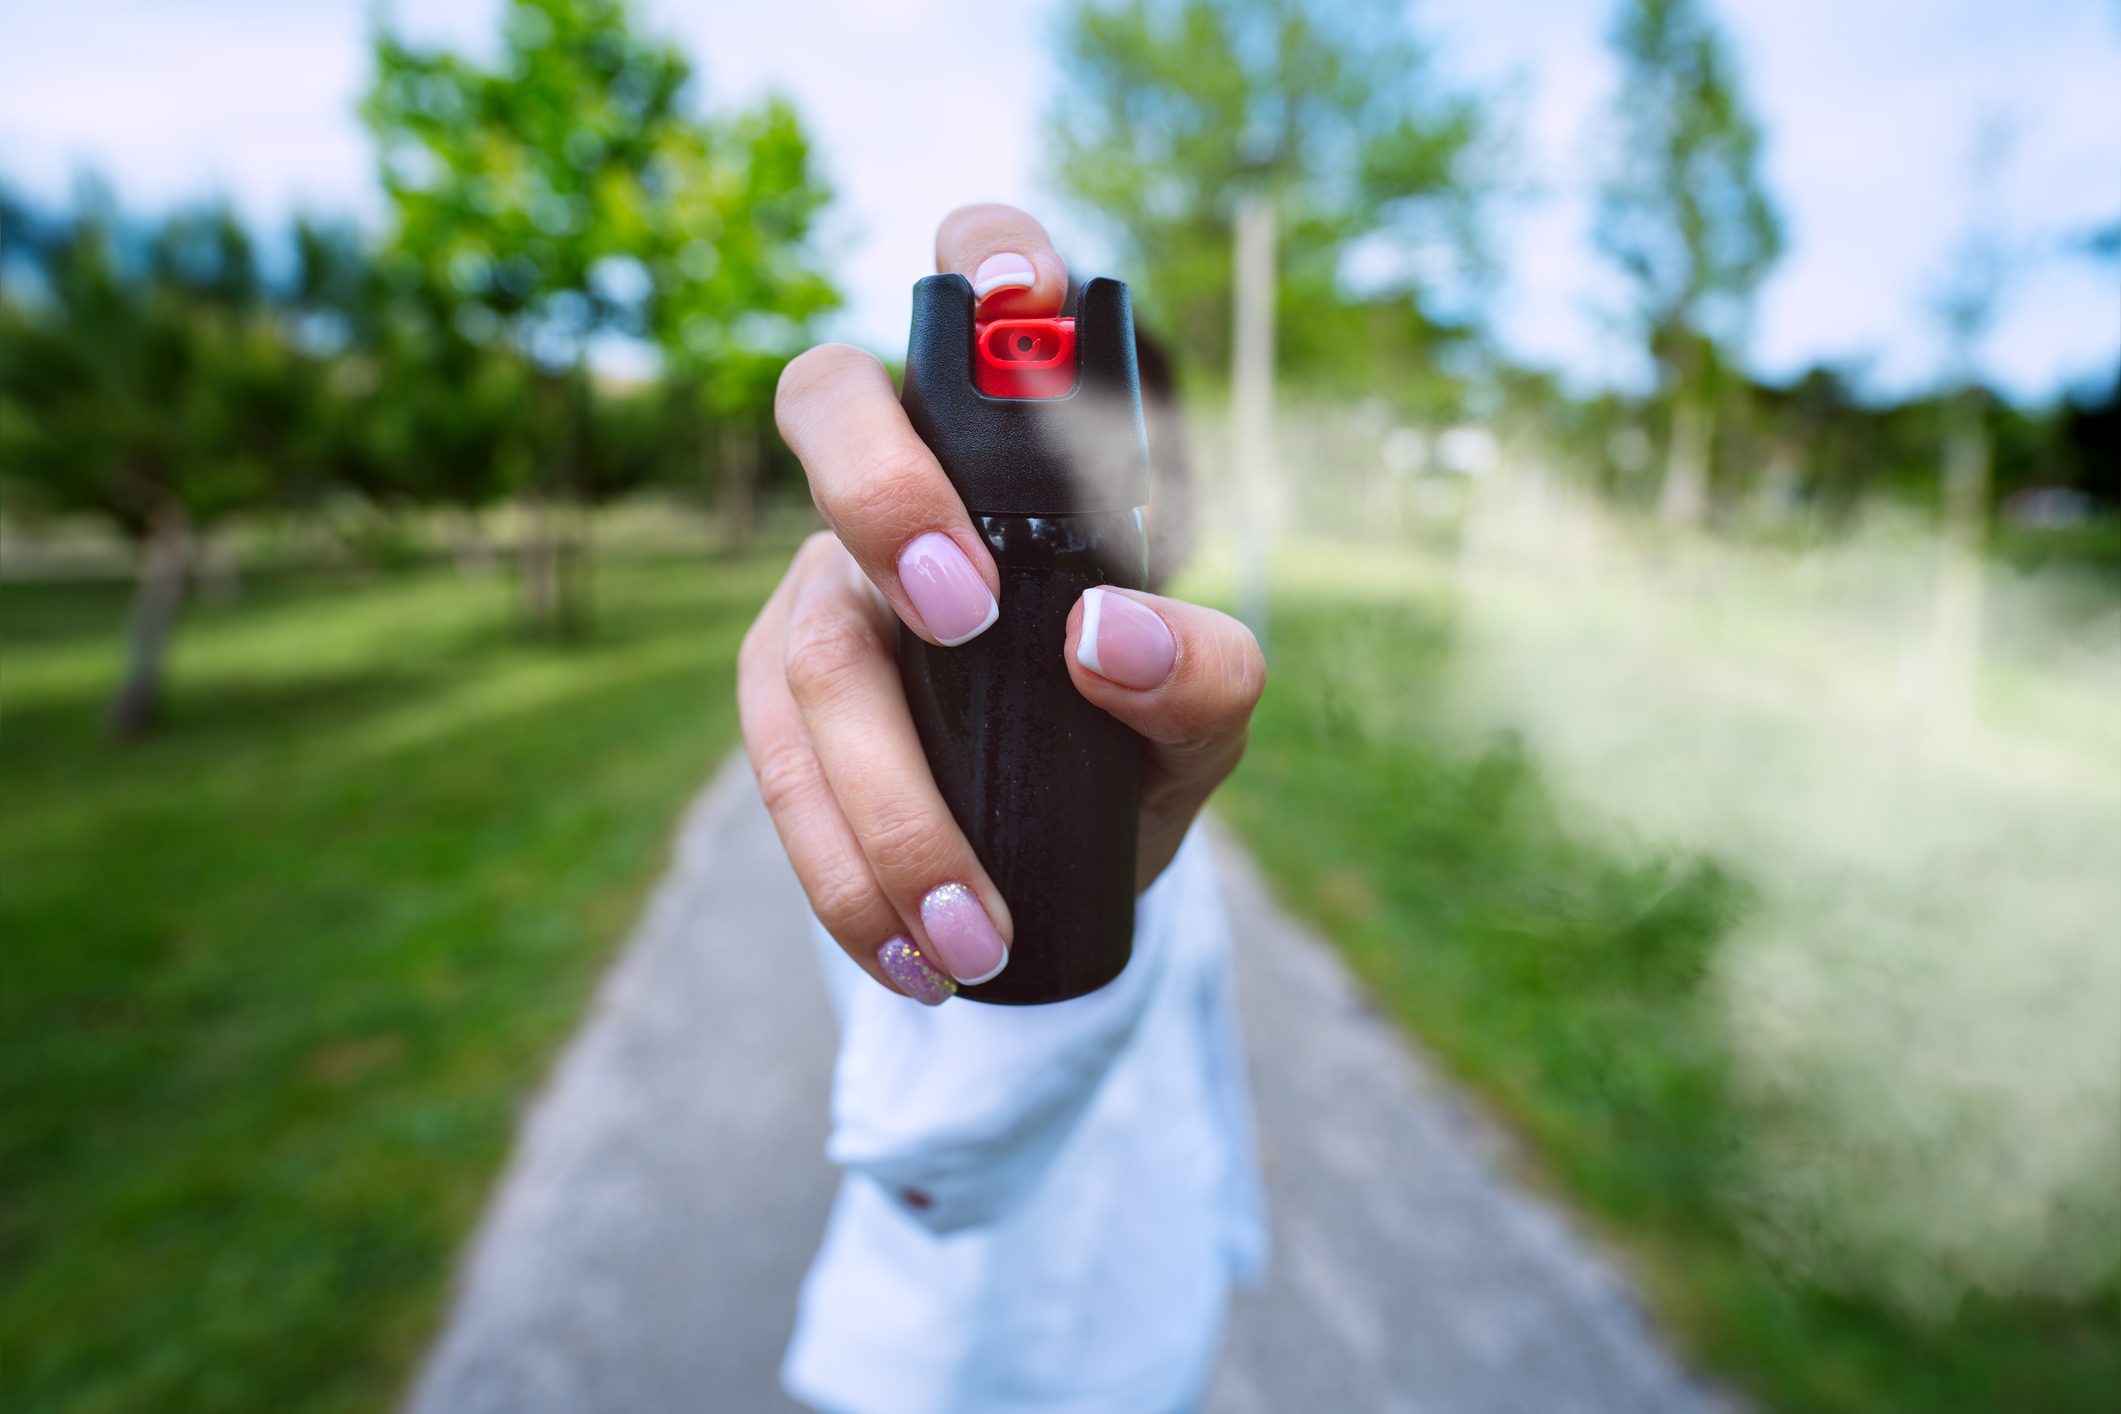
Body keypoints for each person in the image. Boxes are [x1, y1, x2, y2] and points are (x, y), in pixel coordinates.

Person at [737, 203, 1269, 1413]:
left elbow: (1198, 1062)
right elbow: (940, 1140)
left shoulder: (1148, 724)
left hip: (1158, 1340)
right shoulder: (903, 729)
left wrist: (1233, 1227)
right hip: (943, 1376)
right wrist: (859, 594)